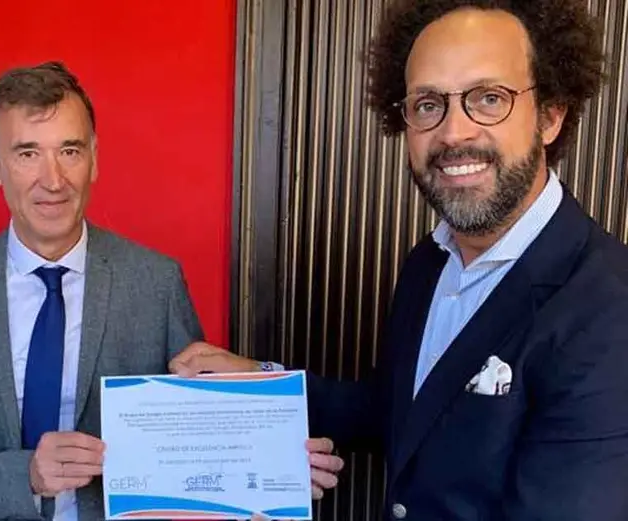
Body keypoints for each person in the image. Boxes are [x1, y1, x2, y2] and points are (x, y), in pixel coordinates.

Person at [171, 1, 628, 520]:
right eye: (429, 104)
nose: (454, 133)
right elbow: (398, 410)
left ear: (549, 115)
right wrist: (263, 383)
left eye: (489, 98)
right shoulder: (430, 263)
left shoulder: (610, 310)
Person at [0, 61, 342, 521]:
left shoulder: (156, 283)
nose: (53, 180)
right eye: (27, 153)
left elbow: (197, 431)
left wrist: (272, 464)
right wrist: (25, 475)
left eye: (70, 150)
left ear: (94, 158)